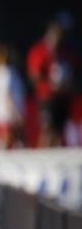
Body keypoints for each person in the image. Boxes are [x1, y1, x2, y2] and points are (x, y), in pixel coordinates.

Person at [26, 17, 79, 147]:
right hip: (47, 97)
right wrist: (49, 83)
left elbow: (74, 69)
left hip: (63, 96)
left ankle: (56, 155)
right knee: (47, 129)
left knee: (60, 131)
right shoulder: (40, 50)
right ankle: (43, 157)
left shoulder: (66, 50)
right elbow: (34, 75)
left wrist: (68, 84)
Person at [0, 43, 26, 149]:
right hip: (8, 113)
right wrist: (16, 113)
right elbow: (7, 94)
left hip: (4, 112)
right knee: (8, 137)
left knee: (12, 138)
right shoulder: (5, 72)